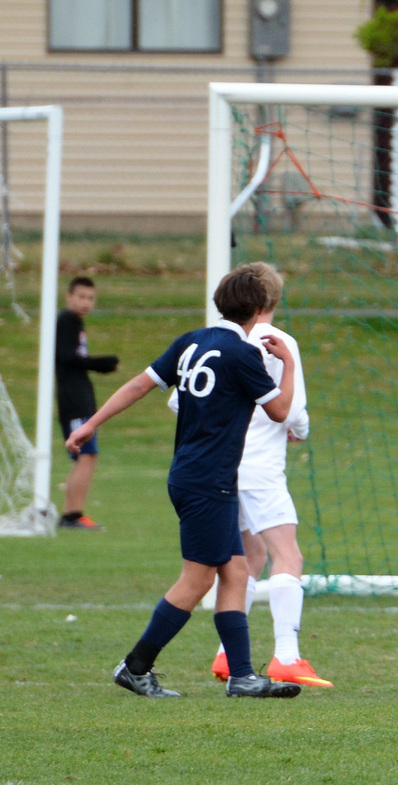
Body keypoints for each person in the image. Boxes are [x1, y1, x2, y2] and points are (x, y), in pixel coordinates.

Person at [65, 263, 302, 699]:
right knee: (197, 580)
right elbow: (282, 412)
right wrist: (285, 364)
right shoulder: (244, 355)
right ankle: (135, 666)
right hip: (208, 480)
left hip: (197, 474)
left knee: (234, 570)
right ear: (261, 308)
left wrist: (90, 424)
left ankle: (242, 675)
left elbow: (139, 384)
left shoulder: (192, 341)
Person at [171, 265, 331, 687]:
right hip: (260, 468)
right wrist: (298, 430)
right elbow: (293, 415)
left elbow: (178, 402)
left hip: (221, 468)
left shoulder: (211, 342)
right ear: (270, 304)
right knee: (287, 555)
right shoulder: (281, 344)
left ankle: (227, 655)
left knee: (246, 561)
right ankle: (286, 655)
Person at [55, 276, 119, 530]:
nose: (85, 302)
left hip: (81, 397)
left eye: (90, 298)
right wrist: (99, 363)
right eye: (81, 296)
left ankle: (71, 514)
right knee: (87, 454)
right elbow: (65, 357)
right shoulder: (66, 320)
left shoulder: (75, 323)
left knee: (86, 456)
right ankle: (72, 515)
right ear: (69, 297)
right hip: (73, 400)